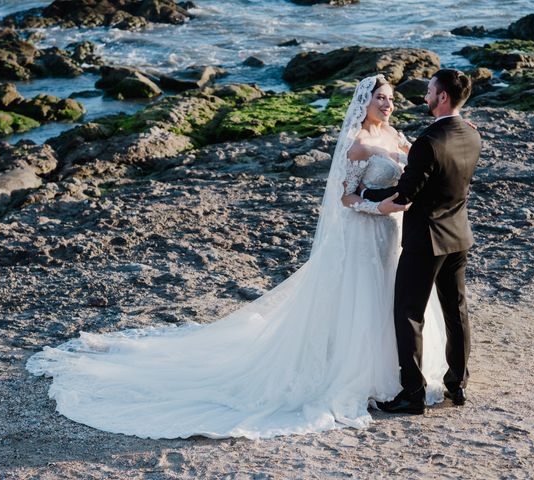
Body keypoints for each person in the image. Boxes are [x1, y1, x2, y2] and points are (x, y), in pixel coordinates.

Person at [25, 75, 448, 440]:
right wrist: (378, 208)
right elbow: (344, 196)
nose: (389, 104)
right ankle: (363, 376)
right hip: (363, 234)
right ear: (365, 102)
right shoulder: (355, 144)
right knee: (361, 302)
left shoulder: (397, 136)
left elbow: (416, 173)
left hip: (392, 235)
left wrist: (401, 203)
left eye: (391, 98)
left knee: (393, 300)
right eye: (381, 98)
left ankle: (399, 376)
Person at [360, 69, 481, 414]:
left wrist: (366, 192)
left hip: (426, 239)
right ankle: (457, 386)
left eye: (429, 91)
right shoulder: (472, 135)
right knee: (456, 312)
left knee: (409, 314)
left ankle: (412, 394)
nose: (425, 96)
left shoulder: (429, 141)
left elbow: (405, 193)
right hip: (458, 236)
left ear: (442, 97)